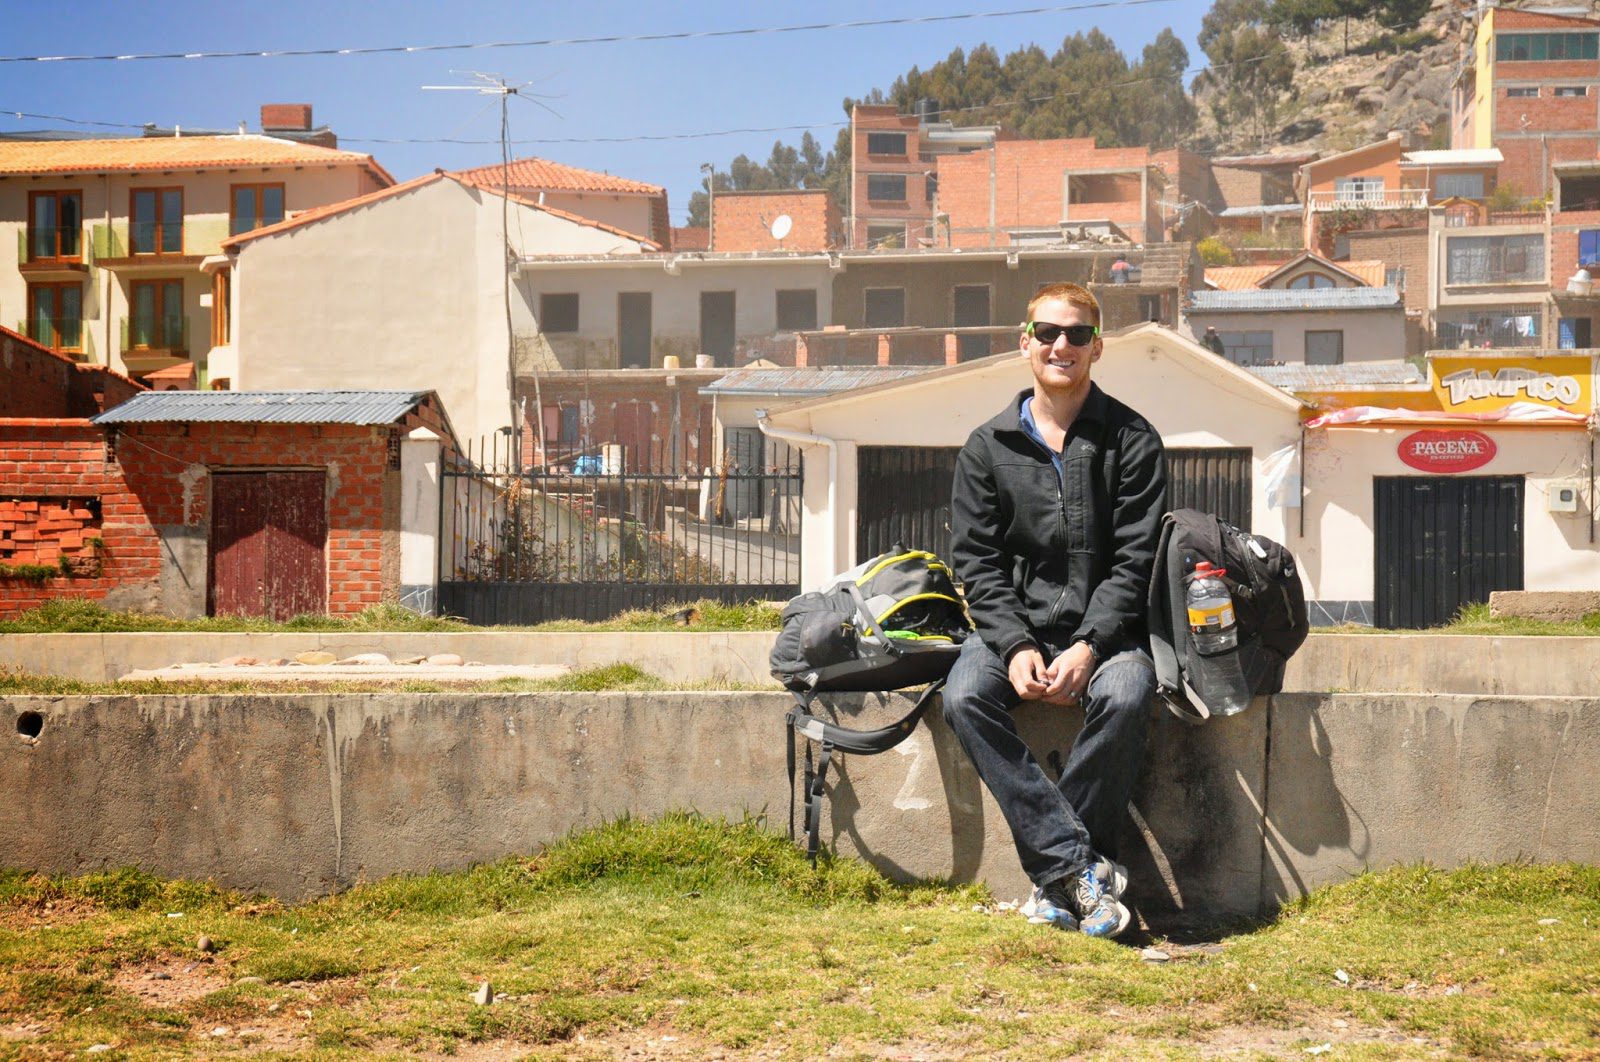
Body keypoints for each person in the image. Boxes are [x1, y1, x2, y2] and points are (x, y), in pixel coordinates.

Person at [944, 282, 1166, 939]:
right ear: (1026, 343)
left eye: (1076, 335)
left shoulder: (1133, 441)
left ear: (1098, 347)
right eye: (1047, 333)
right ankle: (1080, 872)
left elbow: (1135, 562)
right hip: (1012, 634)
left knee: (1128, 695)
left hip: (1106, 637)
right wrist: (1013, 646)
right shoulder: (988, 448)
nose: (1060, 345)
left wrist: (1090, 645)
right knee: (962, 698)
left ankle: (1058, 880)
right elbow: (976, 565)